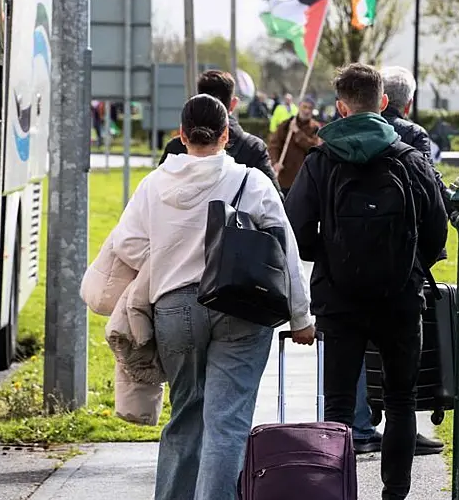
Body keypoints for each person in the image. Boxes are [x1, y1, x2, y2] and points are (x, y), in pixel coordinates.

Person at [112, 94, 316, 500]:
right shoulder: (250, 181)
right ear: (226, 135)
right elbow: (285, 251)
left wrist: (168, 253)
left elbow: (128, 243)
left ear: (181, 135)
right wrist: (300, 317)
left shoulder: (154, 184)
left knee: (185, 415)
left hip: (175, 308)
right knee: (227, 422)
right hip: (241, 306)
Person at [284, 64, 448, 500]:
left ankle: (339, 492)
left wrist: (334, 254)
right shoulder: (410, 159)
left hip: (339, 300)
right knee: (400, 401)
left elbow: (297, 232)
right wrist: (410, 266)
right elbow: (437, 230)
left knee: (338, 406)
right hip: (399, 299)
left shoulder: (321, 161)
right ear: (382, 103)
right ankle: (395, 494)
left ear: (340, 107)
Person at [350, 66, 452, 456]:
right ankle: (400, 430)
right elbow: (432, 193)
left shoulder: (345, 135)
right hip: (401, 261)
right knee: (400, 346)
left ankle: (358, 425)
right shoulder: (412, 136)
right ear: (404, 103)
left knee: (356, 345)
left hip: (353, 260)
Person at [159, 70, 280, 195]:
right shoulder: (253, 148)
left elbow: (158, 194)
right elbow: (273, 202)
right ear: (233, 104)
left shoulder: (175, 148)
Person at [267, 97, 322, 197]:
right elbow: (274, 145)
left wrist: (297, 133)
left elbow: (314, 147)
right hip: (285, 176)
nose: (306, 111)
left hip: (304, 177)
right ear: (299, 107)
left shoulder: (315, 128)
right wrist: (275, 162)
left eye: (310, 108)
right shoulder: (286, 125)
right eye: (304, 107)